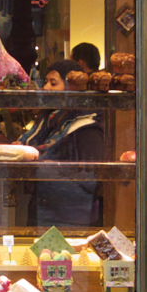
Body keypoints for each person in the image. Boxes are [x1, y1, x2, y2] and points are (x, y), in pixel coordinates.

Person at [21, 59, 109, 227]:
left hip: (71, 216)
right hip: (44, 209)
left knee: (62, 254)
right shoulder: (52, 121)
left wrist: (43, 167)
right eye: (46, 82)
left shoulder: (87, 129)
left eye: (53, 83)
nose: (46, 88)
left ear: (72, 87)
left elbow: (89, 178)